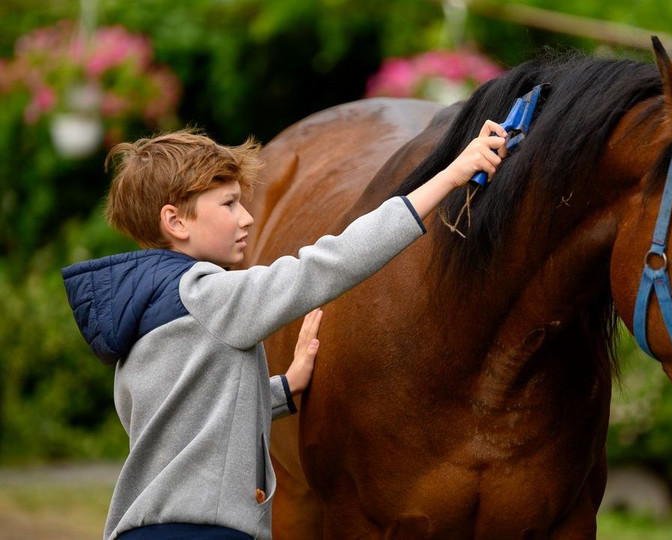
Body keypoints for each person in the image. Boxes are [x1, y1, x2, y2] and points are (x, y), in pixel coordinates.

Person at [62, 121, 508, 540]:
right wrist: (451, 176)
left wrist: (284, 387)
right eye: (229, 204)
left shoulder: (143, 312)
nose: (247, 219)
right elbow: (331, 264)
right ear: (175, 221)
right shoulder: (208, 296)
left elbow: (193, 414)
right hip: (203, 530)